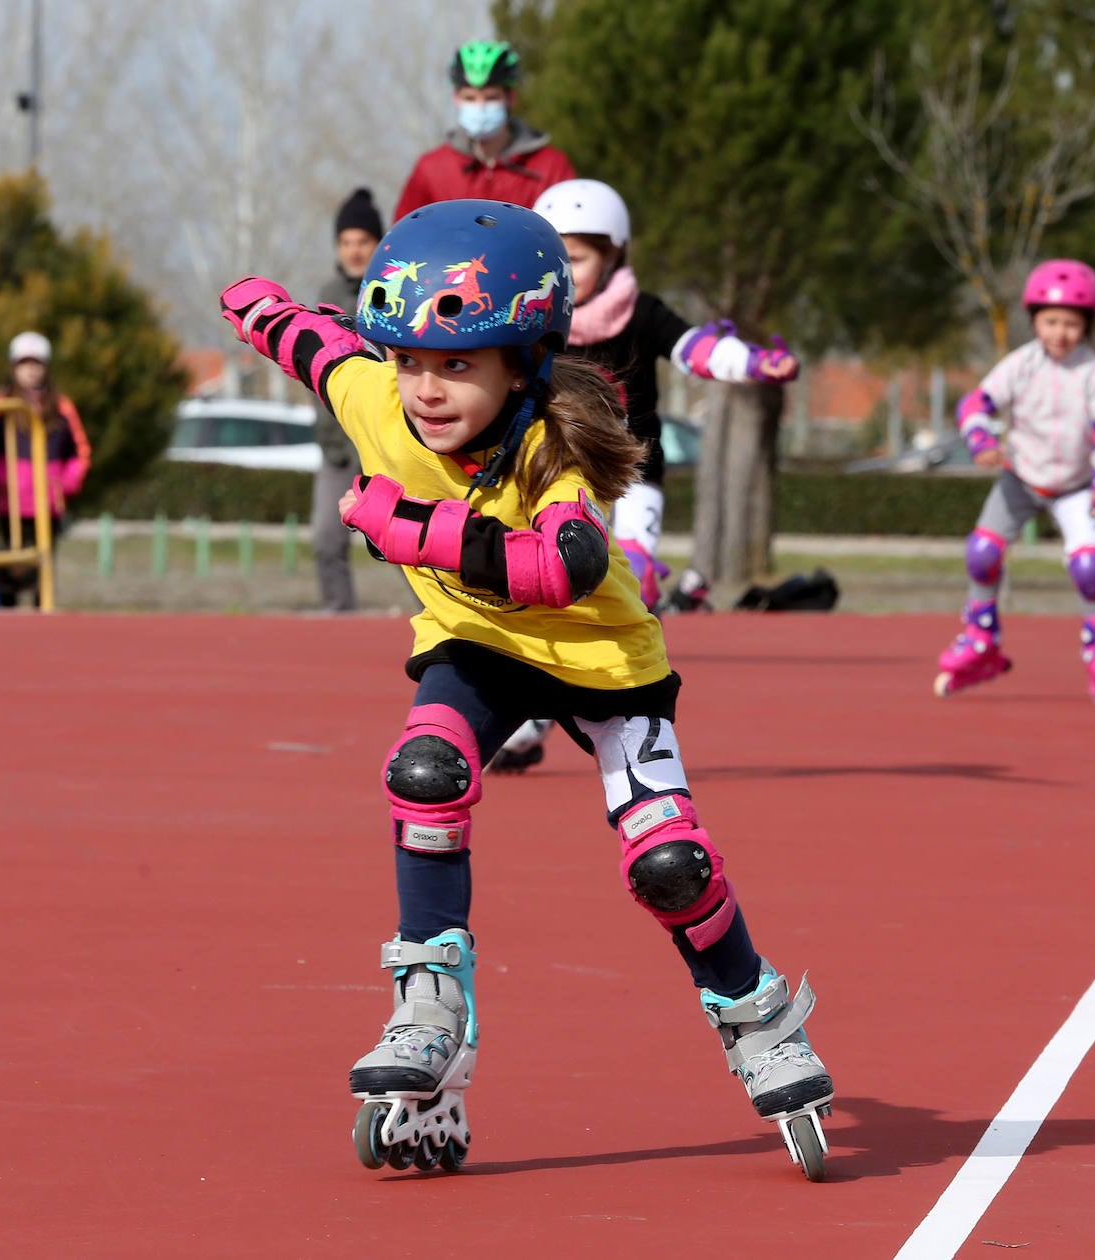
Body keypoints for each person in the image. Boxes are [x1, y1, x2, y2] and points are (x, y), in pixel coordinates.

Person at [218, 199, 834, 1180]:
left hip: (604, 664)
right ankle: (429, 997)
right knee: (424, 771)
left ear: (524, 362)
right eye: (411, 360)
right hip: (476, 644)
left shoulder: (553, 448)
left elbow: (563, 570)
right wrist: (254, 303)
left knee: (667, 865)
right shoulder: (376, 395)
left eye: (457, 364)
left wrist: (408, 526)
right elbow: (314, 343)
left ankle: (753, 1009)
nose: (425, 389)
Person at [489, 178, 801, 772]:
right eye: (556, 254)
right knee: (547, 591)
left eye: (578, 256)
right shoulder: (529, 317)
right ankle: (530, 718)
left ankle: (623, 714)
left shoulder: (641, 311)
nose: (567, 268)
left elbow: (696, 350)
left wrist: (756, 362)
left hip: (631, 475)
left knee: (635, 586)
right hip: (554, 473)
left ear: (614, 256)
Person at [934, 258, 1095, 707]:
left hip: (1076, 485)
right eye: (1051, 321)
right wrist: (980, 439)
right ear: (1035, 320)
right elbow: (975, 403)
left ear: (1088, 325)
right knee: (983, 552)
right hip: (1021, 478)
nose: (1060, 333)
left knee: (1090, 566)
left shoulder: (1093, 372)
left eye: (1072, 324)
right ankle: (981, 637)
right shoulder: (1020, 365)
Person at [391, 40, 575, 220]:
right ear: (456, 99)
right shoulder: (431, 168)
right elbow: (403, 238)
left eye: (490, 97)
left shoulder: (551, 167)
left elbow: (571, 236)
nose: (480, 106)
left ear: (510, 98)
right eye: (470, 98)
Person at [310, 188, 383, 612]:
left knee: (407, 543)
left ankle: (440, 628)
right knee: (324, 538)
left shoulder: (395, 287)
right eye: (346, 242)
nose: (354, 251)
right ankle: (339, 618)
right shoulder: (325, 294)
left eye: (363, 241)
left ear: (379, 242)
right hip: (337, 445)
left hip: (385, 439)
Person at [0, 332, 91, 607]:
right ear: (13, 367)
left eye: (36, 363)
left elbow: (79, 453)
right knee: (9, 569)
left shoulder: (61, 407)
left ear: (46, 367)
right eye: (23, 364)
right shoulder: (2, 405)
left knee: (43, 573)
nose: (30, 370)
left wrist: (64, 483)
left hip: (47, 504)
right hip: (12, 504)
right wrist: (2, 480)